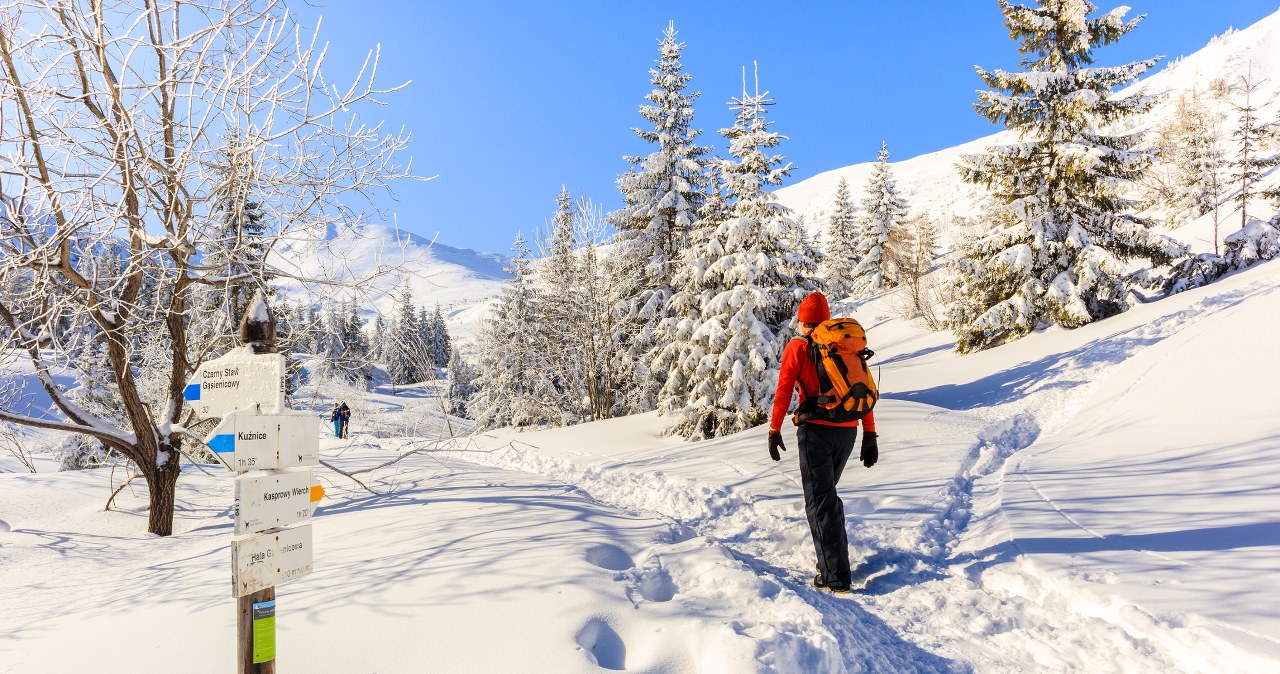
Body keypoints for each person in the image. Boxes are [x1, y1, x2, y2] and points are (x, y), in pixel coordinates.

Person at [767, 291, 878, 594]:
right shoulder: (843, 345)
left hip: (815, 431)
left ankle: (835, 576)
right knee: (826, 498)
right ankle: (830, 562)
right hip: (848, 430)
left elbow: (784, 391)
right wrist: (869, 434)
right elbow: (862, 390)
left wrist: (774, 430)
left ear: (804, 322)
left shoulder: (798, 347)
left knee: (820, 502)